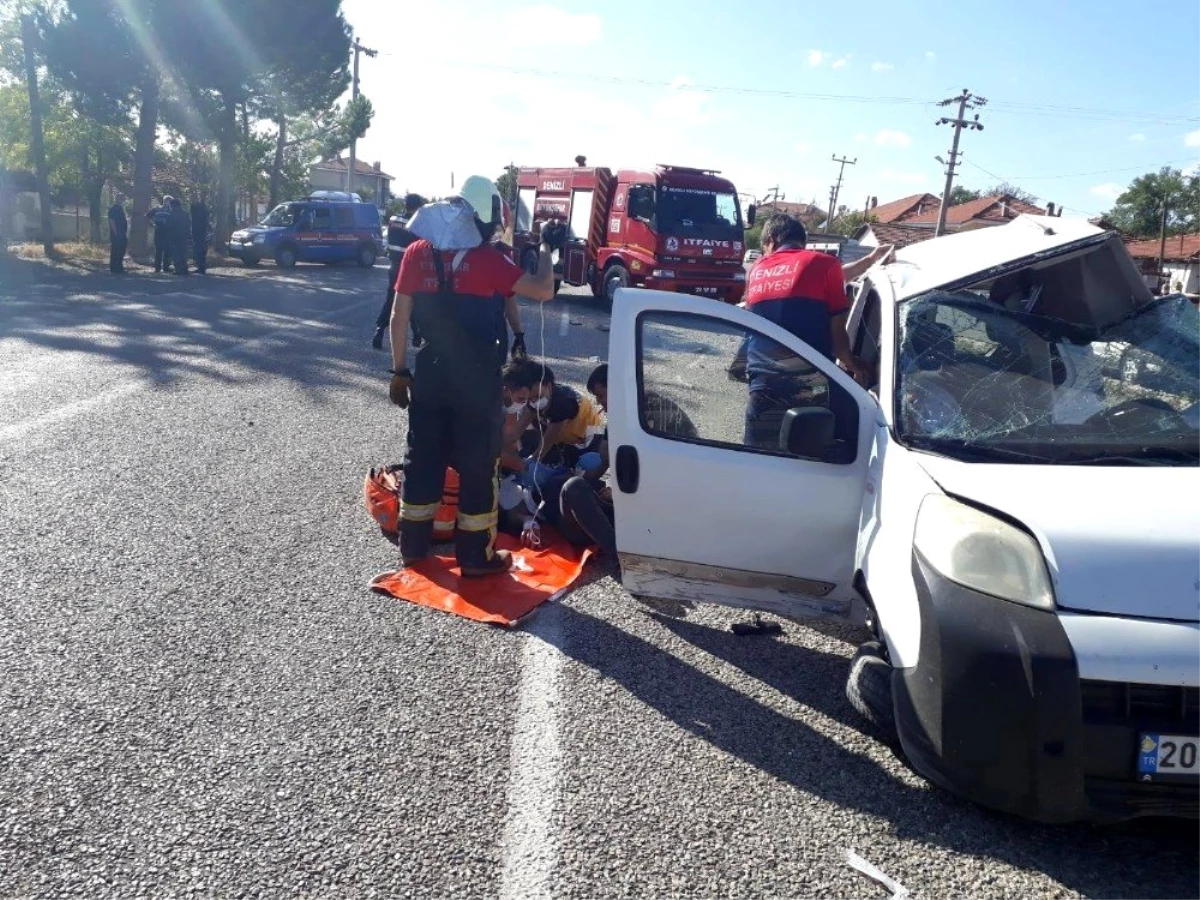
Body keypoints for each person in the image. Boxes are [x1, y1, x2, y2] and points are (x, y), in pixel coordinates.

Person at [388, 175, 556, 576]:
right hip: (477, 377)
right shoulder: (488, 259)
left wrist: (399, 372)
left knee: (423, 458)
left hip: (429, 372)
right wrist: (548, 246)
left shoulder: (416, 252)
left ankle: (412, 548)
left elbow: (399, 317)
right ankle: (474, 558)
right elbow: (543, 290)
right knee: (479, 464)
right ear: (486, 217)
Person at [741, 214, 892, 448]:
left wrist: (870, 260)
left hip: (763, 384)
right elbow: (838, 332)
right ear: (804, 240)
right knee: (806, 456)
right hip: (810, 382)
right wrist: (851, 363)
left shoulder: (757, 269)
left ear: (771, 240)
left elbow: (827, 278)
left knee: (756, 455)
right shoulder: (823, 264)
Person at [373, 193, 425, 350]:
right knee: (415, 302)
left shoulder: (394, 220)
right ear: (417, 207)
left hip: (394, 266)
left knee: (391, 300)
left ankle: (379, 330)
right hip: (411, 268)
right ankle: (417, 335)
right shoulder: (417, 223)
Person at [148, 197, 173, 273]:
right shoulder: (156, 209)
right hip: (159, 232)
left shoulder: (171, 211)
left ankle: (166, 267)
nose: (168, 203)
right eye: (167, 201)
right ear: (164, 201)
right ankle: (157, 268)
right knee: (158, 250)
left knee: (168, 250)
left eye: (169, 201)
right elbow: (147, 216)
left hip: (168, 233)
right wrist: (153, 225)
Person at [168, 197, 190, 275]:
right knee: (183, 253)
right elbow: (188, 225)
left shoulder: (172, 214)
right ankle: (185, 269)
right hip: (184, 236)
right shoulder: (185, 214)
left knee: (176, 253)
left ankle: (178, 269)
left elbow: (169, 225)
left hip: (174, 236)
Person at [107, 195, 128, 274]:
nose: (124, 202)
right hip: (117, 234)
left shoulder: (121, 209)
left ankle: (119, 267)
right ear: (119, 200)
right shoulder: (113, 209)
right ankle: (114, 268)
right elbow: (112, 221)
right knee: (116, 251)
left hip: (122, 233)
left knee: (121, 251)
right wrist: (116, 233)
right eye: (123, 200)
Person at [190, 200, 210, 275]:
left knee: (198, 250)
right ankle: (202, 267)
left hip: (197, 233)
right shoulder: (204, 214)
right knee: (202, 251)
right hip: (203, 233)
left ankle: (201, 267)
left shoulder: (196, 215)